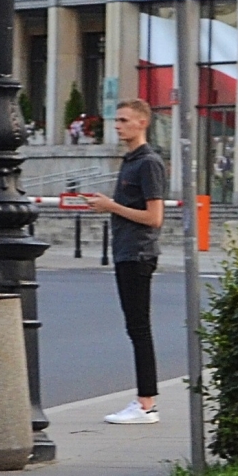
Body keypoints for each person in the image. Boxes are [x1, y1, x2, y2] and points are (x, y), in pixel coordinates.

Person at [84, 98, 168, 425]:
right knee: (136, 328)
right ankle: (144, 401)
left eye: (123, 120)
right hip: (125, 251)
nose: (118, 125)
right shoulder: (130, 160)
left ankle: (145, 403)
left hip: (138, 252)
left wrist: (111, 206)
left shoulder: (148, 163)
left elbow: (154, 217)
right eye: (116, 120)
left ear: (142, 123)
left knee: (139, 328)